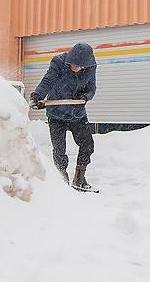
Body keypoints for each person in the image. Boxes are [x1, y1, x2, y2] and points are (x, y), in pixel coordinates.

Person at [30, 43, 97, 190]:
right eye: (73, 64)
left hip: (77, 114)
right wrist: (38, 95)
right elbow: (48, 80)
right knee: (59, 151)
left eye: (79, 66)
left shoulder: (91, 67)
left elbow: (92, 88)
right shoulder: (58, 62)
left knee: (87, 145)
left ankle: (79, 179)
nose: (76, 67)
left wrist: (86, 96)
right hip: (56, 113)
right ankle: (62, 180)